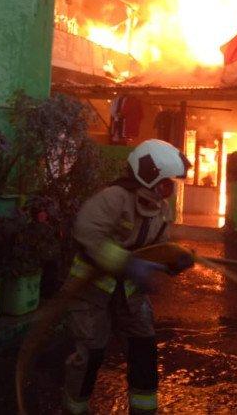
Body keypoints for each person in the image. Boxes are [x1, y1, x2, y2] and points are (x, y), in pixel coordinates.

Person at [63, 139, 193, 414]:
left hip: (129, 293)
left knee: (144, 349)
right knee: (90, 353)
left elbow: (160, 246)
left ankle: (144, 408)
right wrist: (127, 263)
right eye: (166, 183)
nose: (169, 191)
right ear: (149, 175)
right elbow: (86, 231)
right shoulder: (114, 198)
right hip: (92, 291)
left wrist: (175, 259)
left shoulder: (159, 209)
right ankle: (75, 408)